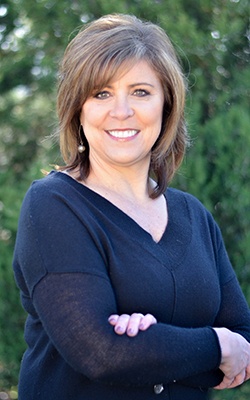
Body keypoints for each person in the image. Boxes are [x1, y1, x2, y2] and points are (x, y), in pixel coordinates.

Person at [13, 13, 250, 400]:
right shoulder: (54, 206)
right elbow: (101, 352)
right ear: (78, 109)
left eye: (140, 91)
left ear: (166, 104)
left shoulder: (194, 216)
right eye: (101, 93)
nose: (121, 111)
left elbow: (245, 340)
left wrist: (153, 343)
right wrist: (216, 346)